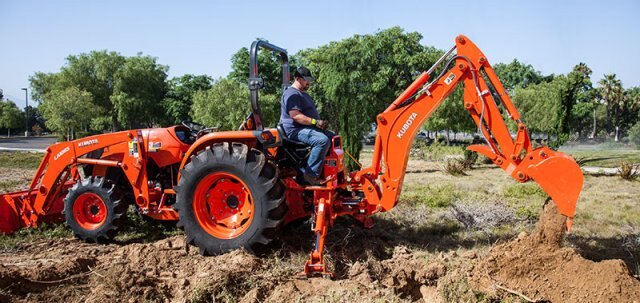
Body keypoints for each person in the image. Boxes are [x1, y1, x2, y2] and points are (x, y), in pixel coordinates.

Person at [279, 67, 330, 185]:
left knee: (333, 138)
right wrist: (315, 122)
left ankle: (327, 171)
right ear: (297, 79)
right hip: (295, 130)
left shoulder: (302, 93)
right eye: (306, 80)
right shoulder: (292, 94)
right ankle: (310, 175)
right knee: (322, 141)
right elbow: (296, 116)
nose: (309, 82)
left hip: (305, 128)